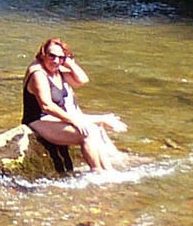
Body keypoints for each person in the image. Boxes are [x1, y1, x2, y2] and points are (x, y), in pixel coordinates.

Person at [23, 39, 124, 173]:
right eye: (52, 56)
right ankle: (97, 172)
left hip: (54, 118)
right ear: (43, 55)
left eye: (61, 57)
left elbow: (82, 80)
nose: (56, 60)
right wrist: (74, 121)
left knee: (95, 129)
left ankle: (109, 171)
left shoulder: (57, 70)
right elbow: (46, 106)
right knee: (87, 133)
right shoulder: (38, 74)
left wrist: (70, 63)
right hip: (38, 120)